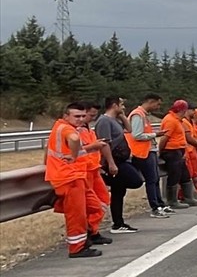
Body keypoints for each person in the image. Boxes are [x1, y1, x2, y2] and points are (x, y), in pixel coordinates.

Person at [44, 102, 104, 258]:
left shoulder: (61, 127)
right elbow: (74, 138)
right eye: (77, 116)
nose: (81, 119)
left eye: (83, 116)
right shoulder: (67, 129)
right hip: (69, 177)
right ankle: (76, 248)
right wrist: (74, 154)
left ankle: (58, 202)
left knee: (95, 206)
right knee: (76, 214)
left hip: (76, 175)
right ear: (66, 116)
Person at [96, 96, 144, 233]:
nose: (123, 107)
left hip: (121, 159)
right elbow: (105, 143)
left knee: (119, 192)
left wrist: (122, 116)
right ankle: (117, 222)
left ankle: (118, 223)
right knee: (135, 180)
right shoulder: (104, 121)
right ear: (114, 105)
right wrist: (110, 163)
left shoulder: (115, 120)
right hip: (114, 160)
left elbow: (129, 129)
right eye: (121, 105)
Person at [78, 102, 116, 246]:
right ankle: (88, 232)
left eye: (95, 115)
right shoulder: (76, 131)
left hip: (93, 169)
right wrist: (94, 146)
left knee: (103, 199)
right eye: (91, 115)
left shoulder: (89, 130)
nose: (92, 118)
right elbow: (76, 151)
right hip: (84, 170)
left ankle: (92, 229)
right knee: (89, 204)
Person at [128, 93, 170, 217]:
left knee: (155, 179)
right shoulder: (138, 115)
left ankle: (160, 204)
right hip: (142, 152)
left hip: (148, 151)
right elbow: (137, 135)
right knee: (151, 180)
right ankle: (155, 207)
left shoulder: (144, 115)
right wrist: (155, 135)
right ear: (150, 101)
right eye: (157, 104)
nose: (158, 107)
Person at [160, 99, 197, 210]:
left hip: (178, 150)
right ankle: (172, 201)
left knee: (184, 175)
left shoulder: (177, 120)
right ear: (183, 110)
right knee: (174, 175)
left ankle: (188, 197)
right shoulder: (171, 120)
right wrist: (161, 151)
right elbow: (165, 138)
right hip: (171, 151)